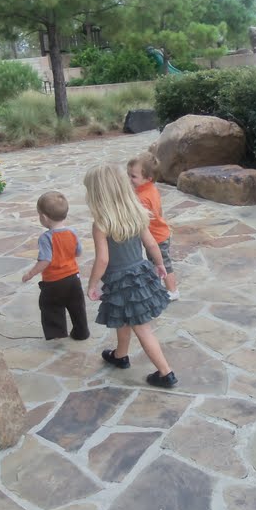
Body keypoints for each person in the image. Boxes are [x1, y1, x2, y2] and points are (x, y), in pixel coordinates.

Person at [84, 163, 177, 388]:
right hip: (140, 274)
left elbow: (103, 260)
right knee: (124, 318)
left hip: (122, 281)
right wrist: (160, 264)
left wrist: (92, 284)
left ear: (97, 195)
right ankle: (120, 355)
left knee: (142, 328)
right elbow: (152, 244)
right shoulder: (136, 213)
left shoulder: (101, 224)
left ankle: (165, 373)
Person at [22, 191, 90, 341]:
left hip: (54, 281)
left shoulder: (46, 237)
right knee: (77, 306)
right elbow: (78, 252)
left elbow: (45, 260)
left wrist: (30, 274)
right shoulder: (72, 232)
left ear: (44, 217)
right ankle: (81, 332)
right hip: (73, 278)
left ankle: (57, 332)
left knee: (50, 305)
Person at [127, 152, 179, 301]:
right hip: (159, 233)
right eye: (128, 175)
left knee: (163, 263)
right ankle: (157, 287)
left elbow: (139, 222)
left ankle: (172, 290)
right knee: (155, 264)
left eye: (133, 176)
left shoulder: (142, 198)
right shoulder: (151, 188)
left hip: (156, 238)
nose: (129, 179)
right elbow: (159, 211)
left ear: (148, 178)